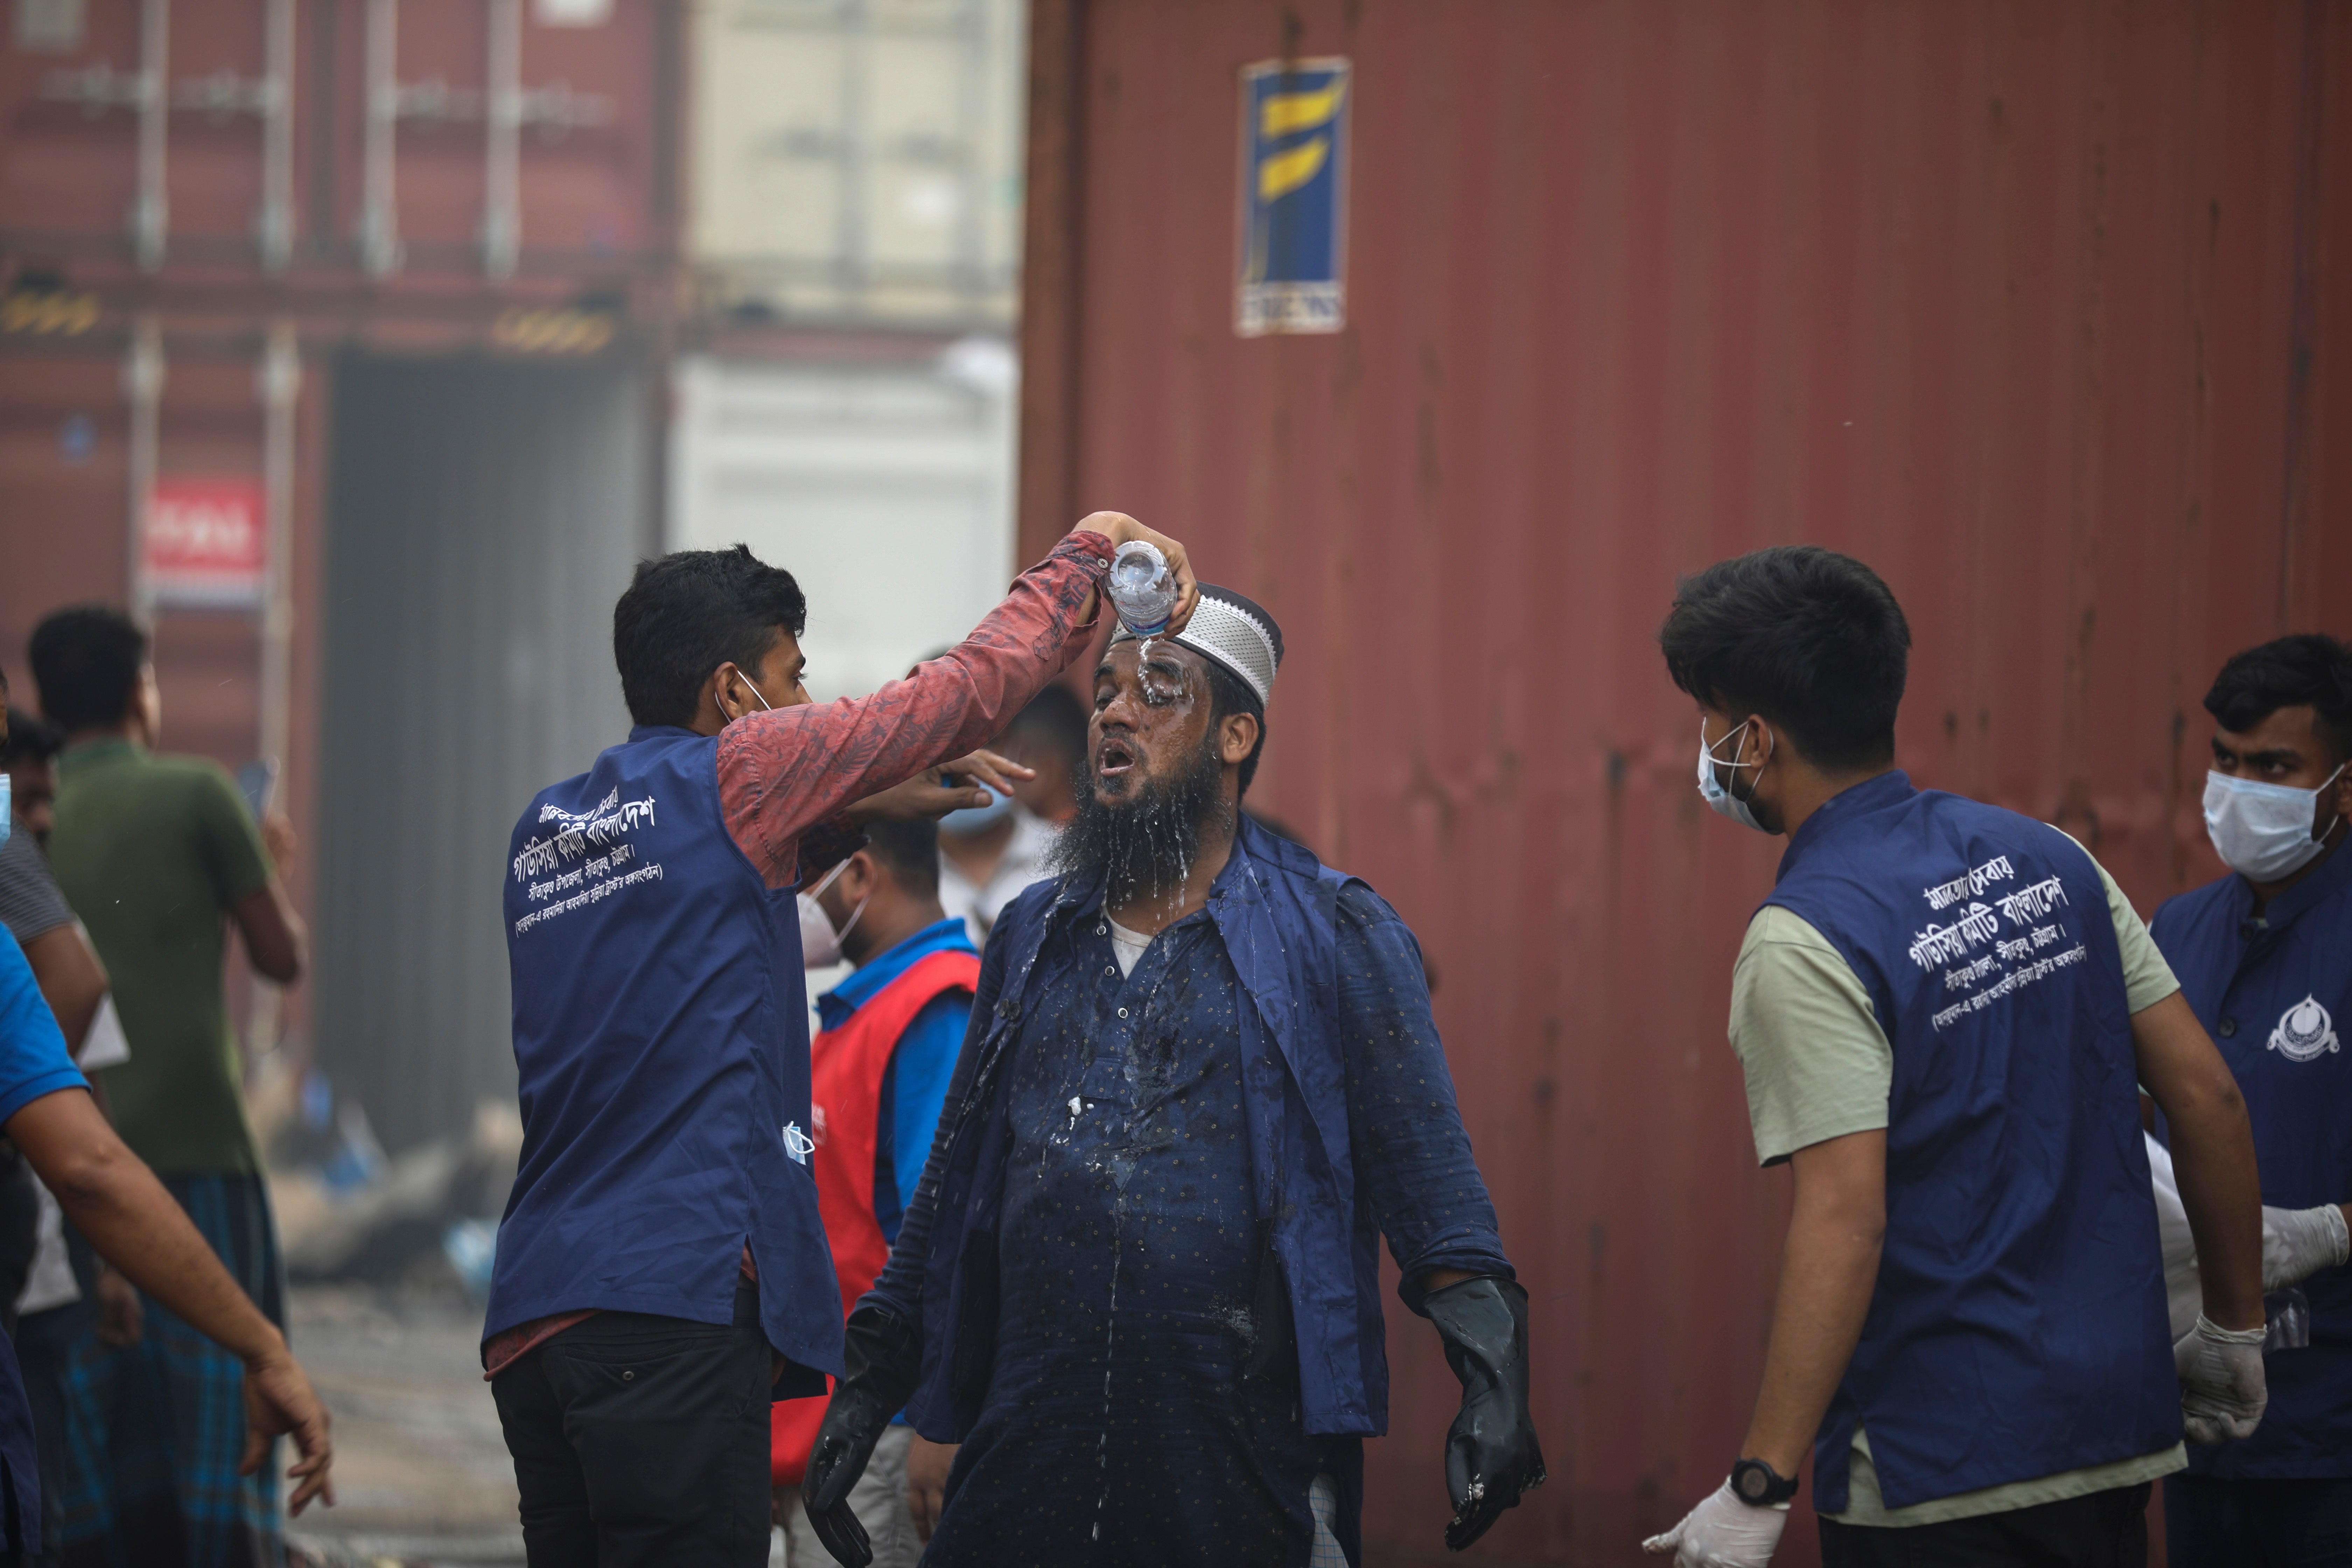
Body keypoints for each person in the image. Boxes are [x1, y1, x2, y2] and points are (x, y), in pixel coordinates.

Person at [481, 514, 1196, 1568]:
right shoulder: (740, 769)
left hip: (539, 1319)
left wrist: (850, 809)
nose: (807, 702)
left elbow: (698, 904)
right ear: (734, 693)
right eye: (793, 674)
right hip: (667, 1307)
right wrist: (1083, 559)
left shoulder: (551, 830)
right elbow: (948, 697)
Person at [802, 585, 1546, 1568]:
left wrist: (1493, 1376)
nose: (1115, 710)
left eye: (1159, 690)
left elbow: (1430, 1183)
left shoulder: (1336, 934)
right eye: (1106, 690)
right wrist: (867, 1381)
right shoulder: (1031, 932)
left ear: (1236, 736)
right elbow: (951, 1185)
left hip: (1245, 1462)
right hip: (1026, 1452)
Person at [1642, 546, 2267, 1568]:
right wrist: (2234, 1332)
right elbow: (2205, 1095)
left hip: (1936, 1460)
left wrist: (1758, 1481)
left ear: (1753, 737)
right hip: (2111, 1432)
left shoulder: (1803, 936)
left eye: (1708, 721)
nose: (1703, 747)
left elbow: (1844, 1215)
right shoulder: (2047, 855)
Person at [0, 672, 333, 1562]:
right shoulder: (195, 795)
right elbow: (278, 956)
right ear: (140, 694)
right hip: (178, 1158)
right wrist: (264, 1348)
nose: (29, 818)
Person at [2146, 633, 2352, 1566]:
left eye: (2274, 767)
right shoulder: (2176, 932)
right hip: (2202, 1422)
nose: (2239, 790)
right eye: (2226, 762)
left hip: (2335, 1433)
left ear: (2343, 787)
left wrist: (2333, 1231)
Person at [771, 817, 978, 1566]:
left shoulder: (936, 1007)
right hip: (834, 1427)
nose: (791, 899)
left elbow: (949, 1239)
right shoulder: (857, 1013)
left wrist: (935, 1419)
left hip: (886, 1434)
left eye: (805, 879)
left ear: (859, 875)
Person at [0, 681, 142, 1566]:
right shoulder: (15, 866)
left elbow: (81, 1088)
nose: (40, 815)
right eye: (30, 792)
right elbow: (85, 1154)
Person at [937, 684, 1087, 946]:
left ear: (1015, 747)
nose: (965, 760)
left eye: (987, 742)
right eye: (945, 746)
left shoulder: (1073, 861)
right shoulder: (892, 879)